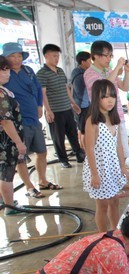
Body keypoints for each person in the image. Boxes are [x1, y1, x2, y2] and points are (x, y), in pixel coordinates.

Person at [2, 42, 61, 198]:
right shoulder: (4, 74)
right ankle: (29, 187)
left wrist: (40, 105)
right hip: (18, 123)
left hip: (34, 119)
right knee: (20, 158)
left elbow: (38, 89)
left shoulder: (28, 71)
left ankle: (43, 180)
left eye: (19, 56)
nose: (16, 59)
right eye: (12, 56)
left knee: (42, 152)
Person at [83, 79, 129, 232]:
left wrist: (123, 167)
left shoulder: (113, 118)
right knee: (102, 205)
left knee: (115, 201)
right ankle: (103, 236)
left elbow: (118, 145)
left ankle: (115, 232)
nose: (110, 100)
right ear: (96, 98)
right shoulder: (93, 121)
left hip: (112, 166)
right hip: (99, 167)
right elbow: (89, 148)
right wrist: (95, 174)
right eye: (104, 96)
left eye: (112, 96)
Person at [36, 44, 85, 168]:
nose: (56, 58)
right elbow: (42, 94)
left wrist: (73, 103)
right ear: (46, 56)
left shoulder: (60, 70)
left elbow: (66, 88)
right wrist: (48, 110)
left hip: (67, 108)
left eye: (58, 56)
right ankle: (63, 159)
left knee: (73, 132)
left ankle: (79, 153)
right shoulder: (42, 73)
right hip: (55, 111)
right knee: (58, 137)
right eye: (54, 56)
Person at [83, 40, 129, 159]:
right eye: (106, 55)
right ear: (95, 55)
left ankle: (120, 174)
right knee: (104, 155)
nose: (109, 59)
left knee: (122, 152)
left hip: (117, 115)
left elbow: (125, 88)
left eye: (111, 56)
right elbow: (104, 88)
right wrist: (117, 67)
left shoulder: (109, 71)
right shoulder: (89, 73)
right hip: (101, 119)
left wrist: (127, 72)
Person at [0, 55, 27, 215]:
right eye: (3, 70)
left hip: (5, 139)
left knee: (4, 171)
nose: (7, 73)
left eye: (7, 69)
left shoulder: (4, 91)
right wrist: (18, 142)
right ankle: (10, 207)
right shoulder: (1, 94)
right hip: (6, 141)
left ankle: (6, 200)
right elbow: (5, 121)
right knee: (7, 173)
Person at [70, 51, 92, 149]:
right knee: (83, 130)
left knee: (83, 129)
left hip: (85, 105)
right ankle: (85, 150)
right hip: (81, 106)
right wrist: (76, 106)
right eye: (89, 60)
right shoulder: (80, 75)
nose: (91, 62)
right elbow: (79, 93)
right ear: (83, 62)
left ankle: (84, 149)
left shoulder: (82, 72)